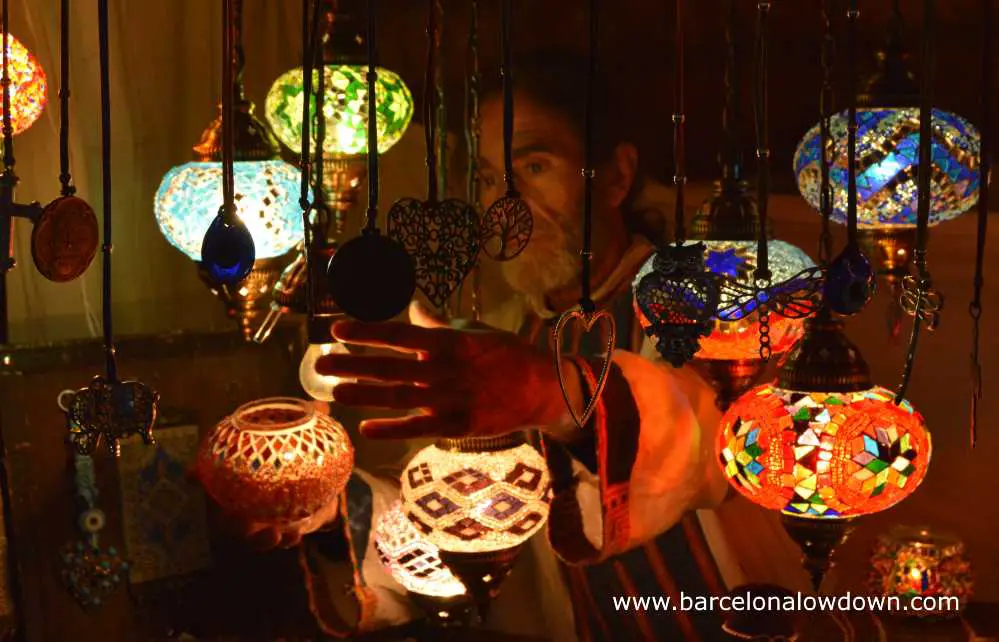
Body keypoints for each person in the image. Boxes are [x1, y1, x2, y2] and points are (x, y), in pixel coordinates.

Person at [231, 50, 812, 641]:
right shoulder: (510, 330)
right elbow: (472, 514)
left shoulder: (718, 304)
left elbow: (711, 449)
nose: (502, 206)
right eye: (486, 178)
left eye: (533, 165)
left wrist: (552, 395)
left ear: (615, 175)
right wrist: (334, 513)